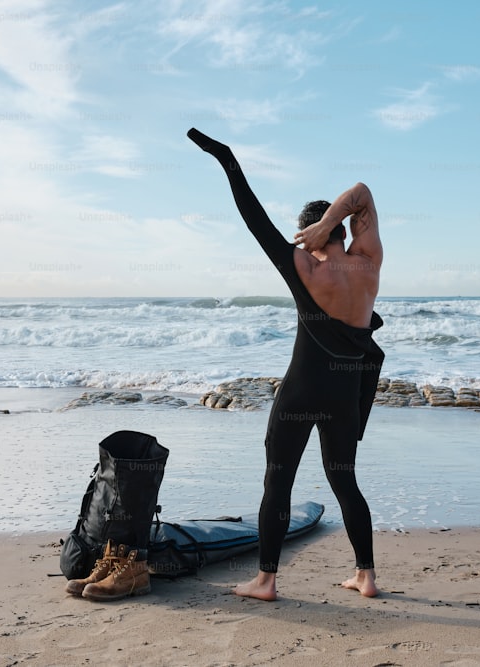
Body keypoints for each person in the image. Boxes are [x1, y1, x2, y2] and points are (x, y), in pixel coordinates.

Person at [187, 128, 385, 600]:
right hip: (344, 395)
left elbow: (252, 217)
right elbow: (363, 193)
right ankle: (367, 576)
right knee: (345, 482)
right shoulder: (369, 262)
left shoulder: (305, 267)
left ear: (310, 234)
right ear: (342, 227)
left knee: (278, 479)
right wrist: (331, 221)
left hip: (300, 392)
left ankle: (266, 581)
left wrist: (227, 158)